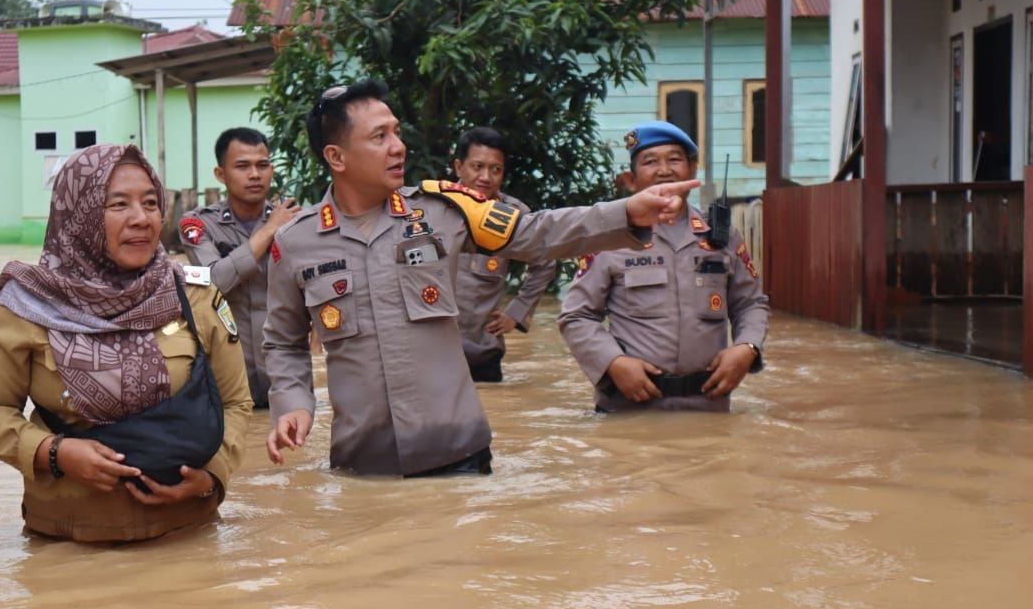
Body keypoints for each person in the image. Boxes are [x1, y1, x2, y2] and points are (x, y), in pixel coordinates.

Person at [262, 80, 699, 477]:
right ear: (336, 157)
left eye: (396, 132)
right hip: (364, 464)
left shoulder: (445, 211)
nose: (398, 147)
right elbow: (282, 341)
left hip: (459, 456)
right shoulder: (295, 243)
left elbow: (536, 234)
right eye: (380, 137)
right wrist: (293, 404)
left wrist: (626, 211)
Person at [0, 144, 252, 542]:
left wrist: (210, 478)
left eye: (151, 203)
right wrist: (53, 453)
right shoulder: (28, 305)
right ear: (79, 214)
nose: (141, 219)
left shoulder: (193, 295)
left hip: (187, 538)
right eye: (118, 205)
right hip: (68, 545)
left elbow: (235, 402)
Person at [557, 121, 769, 412]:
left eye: (674, 159)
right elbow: (576, 315)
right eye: (650, 162)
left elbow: (751, 303)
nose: (664, 170)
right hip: (629, 409)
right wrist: (613, 362)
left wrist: (747, 348)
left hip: (708, 407)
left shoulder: (721, 237)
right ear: (631, 179)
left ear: (692, 171)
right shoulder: (610, 237)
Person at [179, 128, 300, 408]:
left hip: (286, 382)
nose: (255, 174)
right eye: (243, 166)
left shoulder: (295, 222)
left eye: (263, 165)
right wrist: (270, 230)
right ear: (221, 174)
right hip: (228, 387)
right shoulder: (197, 225)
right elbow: (213, 282)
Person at [450, 127, 559, 382]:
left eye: (495, 169)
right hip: (431, 355)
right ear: (459, 167)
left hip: (482, 354)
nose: (486, 177)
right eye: (477, 166)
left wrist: (517, 312)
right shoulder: (433, 208)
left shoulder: (513, 215)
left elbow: (545, 260)